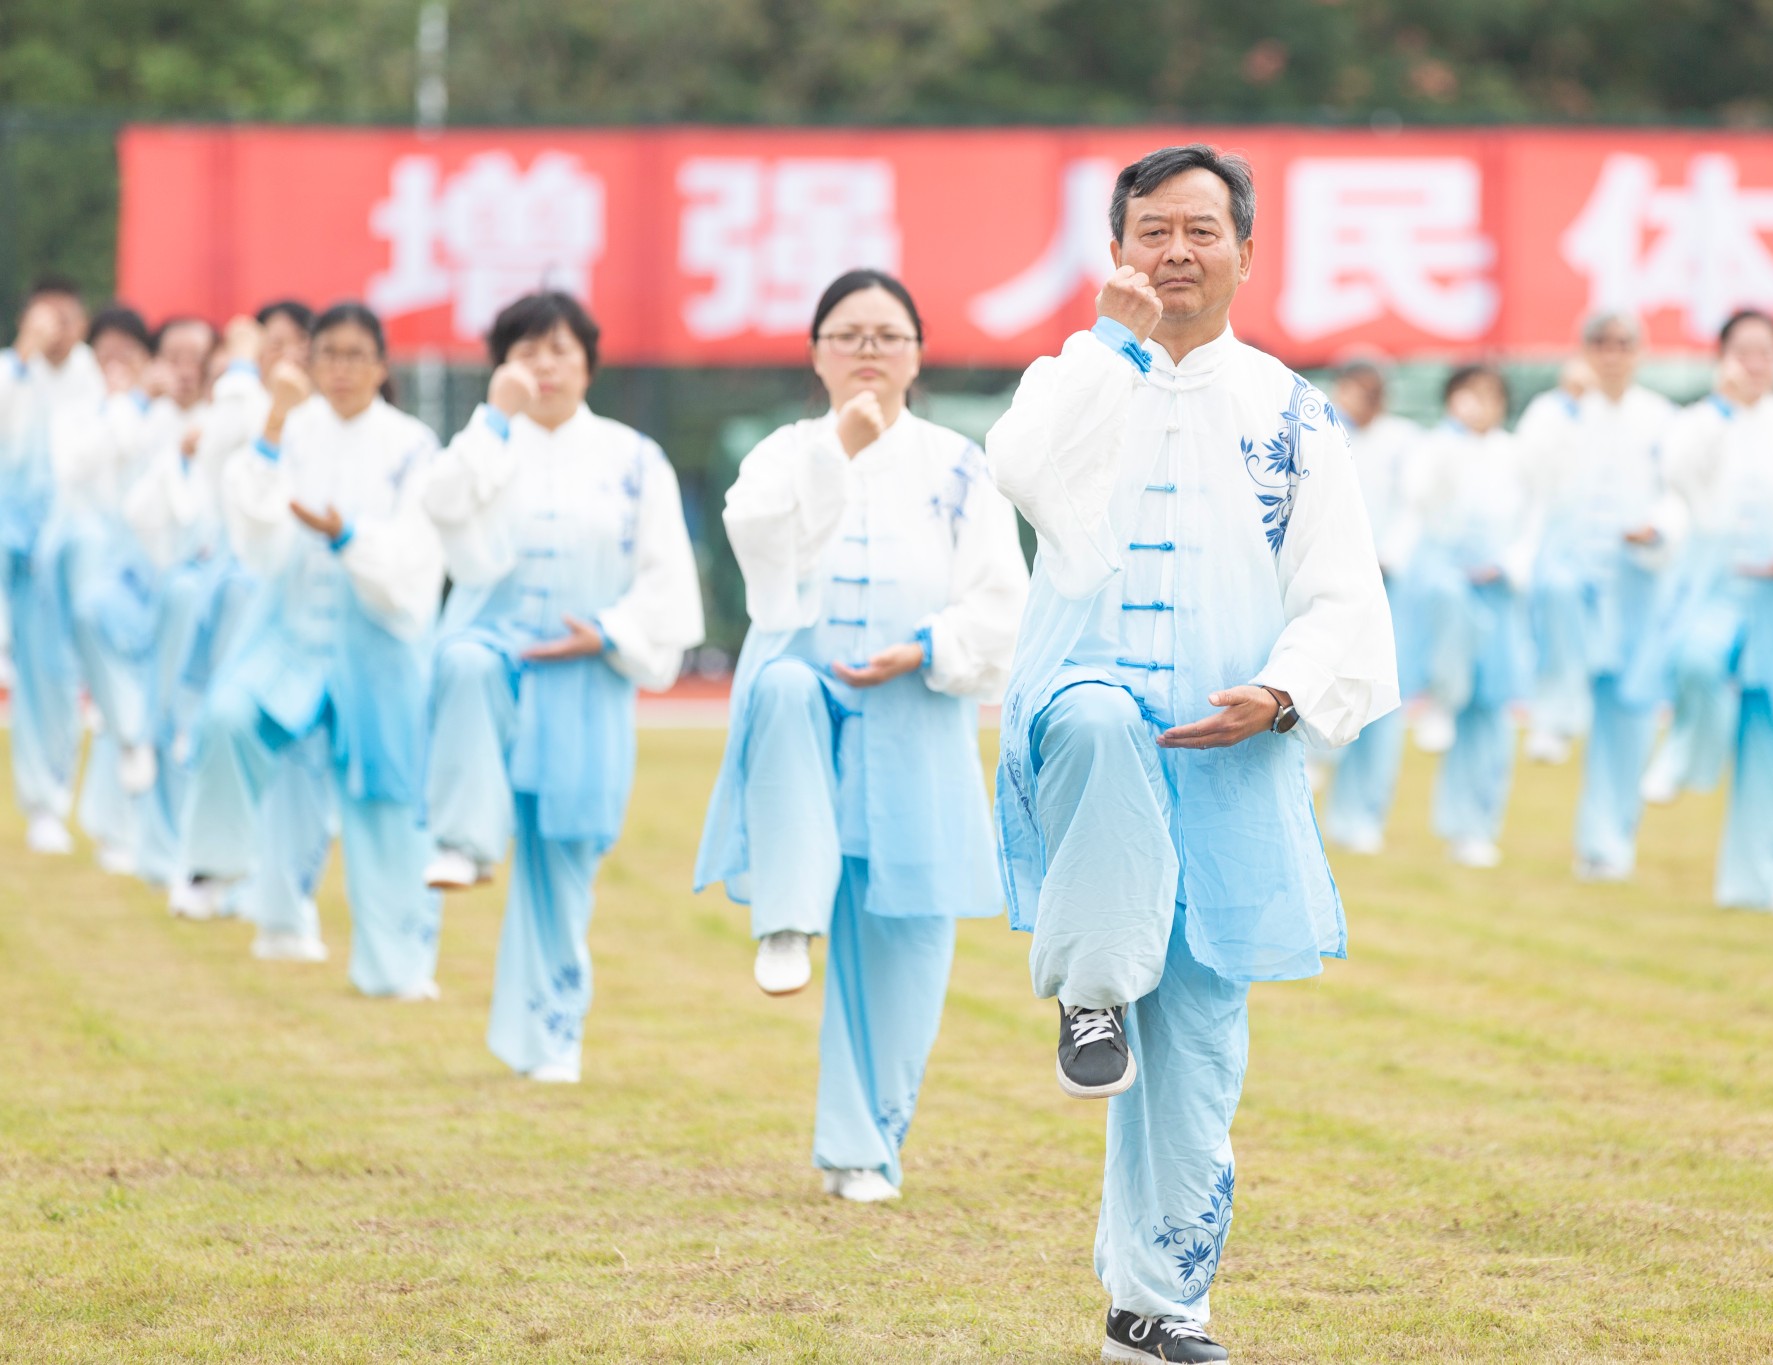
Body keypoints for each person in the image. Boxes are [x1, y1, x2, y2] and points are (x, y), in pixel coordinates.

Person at [987, 146, 1396, 1365]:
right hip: (1081, 712)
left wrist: (1279, 694)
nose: (1175, 252)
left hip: (1227, 749)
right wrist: (1109, 348)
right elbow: (1019, 470)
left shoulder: (1290, 414)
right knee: (1101, 719)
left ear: (1245, 253)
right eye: (1151, 231)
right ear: (1118, 251)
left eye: (1199, 231)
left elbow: (1342, 593)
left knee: (1201, 1048)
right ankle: (1089, 986)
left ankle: (1155, 1306)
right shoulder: (1074, 375)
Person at [696, 270, 1026, 1194]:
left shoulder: (960, 467)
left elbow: (1001, 600)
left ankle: (866, 1143)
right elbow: (761, 554)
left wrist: (929, 647)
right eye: (849, 335)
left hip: (915, 709)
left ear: (918, 354)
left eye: (888, 335)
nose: (869, 350)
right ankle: (787, 914)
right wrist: (835, 453)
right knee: (786, 689)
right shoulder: (782, 454)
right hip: (803, 704)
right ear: (817, 354)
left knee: (908, 938)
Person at [421, 291, 705, 1083]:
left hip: (585, 670)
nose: (544, 366)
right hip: (496, 653)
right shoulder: (485, 443)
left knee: (564, 858)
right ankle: (463, 840)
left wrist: (610, 631)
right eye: (526, 350)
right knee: (466, 665)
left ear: (588, 363)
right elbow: (439, 504)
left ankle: (549, 1036)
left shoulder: (633, 459)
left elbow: (665, 576)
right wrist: (493, 417)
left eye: (560, 349)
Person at [173, 302, 445, 990]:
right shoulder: (291, 429)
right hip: (291, 633)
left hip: (376, 643)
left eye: (356, 355)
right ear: (310, 362)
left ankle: (398, 968)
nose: (342, 369)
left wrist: (349, 536)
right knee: (231, 716)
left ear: (381, 366)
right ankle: (222, 871)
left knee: (385, 802)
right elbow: (253, 529)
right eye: (329, 354)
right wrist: (272, 421)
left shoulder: (412, 445)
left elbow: (418, 553)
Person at [1640, 311, 1773, 918]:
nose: (1754, 364)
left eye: (1765, 351)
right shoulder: (1697, 423)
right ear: (1722, 358)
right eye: (1742, 351)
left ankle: (1757, 880)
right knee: (1697, 662)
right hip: (1718, 587)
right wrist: (1722, 411)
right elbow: (1678, 482)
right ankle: (1688, 753)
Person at [125, 306, 303, 892]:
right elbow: (156, 514)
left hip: (262, 607)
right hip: (196, 596)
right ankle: (170, 855)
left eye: (290, 346)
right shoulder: (215, 418)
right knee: (177, 719)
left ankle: (243, 876)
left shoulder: (295, 424)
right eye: (268, 346)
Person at [49, 310, 217, 876]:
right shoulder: (139, 417)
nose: (184, 370)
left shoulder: (222, 425)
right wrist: (137, 402)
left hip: (194, 593)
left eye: (196, 359)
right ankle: (120, 803)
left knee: (176, 711)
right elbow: (88, 470)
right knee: (118, 681)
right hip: (135, 580)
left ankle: (173, 845)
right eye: (173, 357)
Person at [1514, 313, 1680, 880]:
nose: (1612, 354)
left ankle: (1606, 846)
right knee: (1558, 598)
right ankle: (1556, 714)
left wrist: (1658, 529)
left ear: (1639, 351)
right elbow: (1530, 476)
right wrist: (1569, 404)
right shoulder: (1554, 411)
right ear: (1585, 350)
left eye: (1623, 344)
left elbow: (1679, 493)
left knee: (1628, 711)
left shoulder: (1661, 418)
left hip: (1633, 580)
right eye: (1601, 344)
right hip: (1572, 565)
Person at [1400, 364, 1537, 869]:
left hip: (1497, 589)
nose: (1480, 404)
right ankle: (1438, 696)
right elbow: (1420, 499)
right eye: (1469, 394)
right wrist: (1453, 436)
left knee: (1489, 710)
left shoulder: (1516, 454)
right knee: (1447, 611)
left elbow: (1535, 519)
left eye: (1489, 394)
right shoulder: (1435, 447)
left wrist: (1508, 565)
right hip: (1444, 580)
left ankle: (1474, 827)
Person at [0, 278, 102, 854]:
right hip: (22, 551)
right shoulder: (13, 371)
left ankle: (74, 798)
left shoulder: (97, 378)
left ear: (81, 324)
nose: (53, 331)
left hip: (80, 553)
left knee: (68, 676)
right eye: (42, 318)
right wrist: (22, 355)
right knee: (38, 677)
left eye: (63, 319)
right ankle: (44, 801)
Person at [1320, 355, 1423, 855]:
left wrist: (1387, 559)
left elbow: (1414, 507)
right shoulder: (1320, 429)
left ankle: (1362, 815)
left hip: (1385, 584)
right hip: (1325, 583)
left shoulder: (1404, 440)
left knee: (1379, 698)